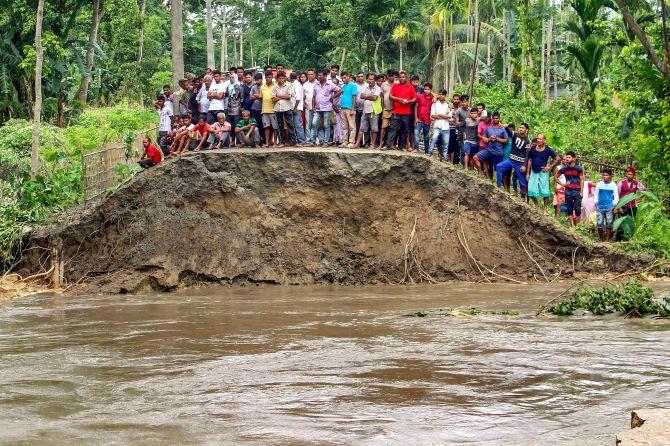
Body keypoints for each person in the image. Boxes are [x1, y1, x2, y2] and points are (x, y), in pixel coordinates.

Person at [526, 134, 561, 206]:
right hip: (533, 171)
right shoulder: (532, 148)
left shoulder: (548, 149)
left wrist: (550, 167)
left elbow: (557, 158)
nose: (538, 140)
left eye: (540, 139)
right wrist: (527, 173)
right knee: (530, 190)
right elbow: (529, 160)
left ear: (544, 140)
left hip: (543, 172)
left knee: (545, 191)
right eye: (538, 139)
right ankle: (537, 205)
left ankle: (545, 208)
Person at [385, 71, 417, 152]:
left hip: (406, 112)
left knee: (405, 130)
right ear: (398, 78)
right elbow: (390, 96)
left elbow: (414, 98)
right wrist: (399, 99)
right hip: (396, 112)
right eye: (400, 77)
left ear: (406, 78)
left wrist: (408, 102)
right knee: (392, 129)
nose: (402, 78)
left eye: (403, 77)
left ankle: (402, 146)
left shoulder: (411, 87)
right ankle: (388, 145)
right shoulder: (395, 86)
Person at [496, 122, 530, 194]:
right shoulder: (515, 134)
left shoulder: (527, 140)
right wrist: (505, 126)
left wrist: (524, 165)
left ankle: (523, 197)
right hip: (510, 160)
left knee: (522, 182)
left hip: (519, 163)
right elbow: (509, 131)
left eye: (523, 128)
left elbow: (527, 154)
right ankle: (498, 186)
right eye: (520, 127)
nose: (521, 129)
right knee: (499, 167)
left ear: (526, 130)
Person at [473, 112, 507, 178]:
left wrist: (497, 139)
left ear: (499, 119)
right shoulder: (488, 128)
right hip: (489, 150)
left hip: (498, 152)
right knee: (475, 157)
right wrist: (490, 139)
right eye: (494, 118)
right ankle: (480, 174)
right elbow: (485, 139)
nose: (495, 119)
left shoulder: (502, 128)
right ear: (492, 118)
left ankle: (499, 184)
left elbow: (506, 140)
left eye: (497, 118)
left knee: (498, 169)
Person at [555, 151, 585, 226]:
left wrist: (581, 191)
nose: (567, 159)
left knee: (577, 209)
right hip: (568, 191)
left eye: (569, 157)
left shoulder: (579, 168)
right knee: (569, 209)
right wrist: (563, 184)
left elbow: (582, 179)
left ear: (574, 159)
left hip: (577, 191)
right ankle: (572, 226)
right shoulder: (564, 168)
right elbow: (555, 177)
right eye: (566, 157)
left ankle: (577, 226)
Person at [311, 69, 338, 146]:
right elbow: (313, 97)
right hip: (318, 109)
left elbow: (339, 90)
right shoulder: (316, 85)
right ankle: (312, 141)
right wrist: (313, 107)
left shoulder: (330, 84)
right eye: (318, 75)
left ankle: (326, 142)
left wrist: (333, 97)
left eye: (321, 75)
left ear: (325, 76)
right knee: (314, 123)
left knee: (326, 125)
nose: (319, 77)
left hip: (327, 108)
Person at [355, 73, 381, 149]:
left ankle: (372, 144)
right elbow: (361, 96)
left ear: (375, 80)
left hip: (374, 110)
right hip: (365, 110)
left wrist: (366, 96)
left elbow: (375, 98)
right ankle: (357, 144)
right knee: (361, 127)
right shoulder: (365, 87)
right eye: (369, 79)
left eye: (372, 79)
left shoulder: (377, 88)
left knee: (374, 128)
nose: (370, 80)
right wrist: (370, 96)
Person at [272, 70, 298, 147]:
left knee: (290, 125)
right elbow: (273, 99)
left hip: (287, 108)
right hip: (278, 108)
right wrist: (283, 96)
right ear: (277, 79)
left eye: (282, 78)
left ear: (285, 78)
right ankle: (282, 142)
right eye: (279, 78)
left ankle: (294, 142)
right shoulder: (275, 87)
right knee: (280, 126)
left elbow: (289, 97)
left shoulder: (289, 86)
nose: (281, 80)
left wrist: (279, 96)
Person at [594, 168, 620, 241]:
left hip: (609, 207)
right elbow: (595, 194)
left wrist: (614, 205)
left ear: (610, 176)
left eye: (606, 175)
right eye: (603, 175)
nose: (604, 177)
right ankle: (601, 239)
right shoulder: (599, 184)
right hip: (600, 206)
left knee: (609, 223)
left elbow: (616, 196)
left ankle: (607, 239)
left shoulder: (613, 185)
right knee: (599, 223)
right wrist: (596, 203)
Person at [427, 89, 451, 160]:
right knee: (434, 139)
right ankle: (429, 153)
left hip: (446, 127)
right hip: (437, 125)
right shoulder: (435, 104)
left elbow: (449, 116)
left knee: (446, 143)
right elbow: (433, 116)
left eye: (442, 94)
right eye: (440, 94)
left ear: (445, 95)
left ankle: (444, 158)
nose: (441, 96)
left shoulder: (448, 105)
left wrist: (439, 115)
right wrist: (444, 116)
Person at [339, 72, 358, 148]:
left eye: (345, 78)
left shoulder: (353, 85)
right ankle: (345, 142)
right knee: (344, 127)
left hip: (350, 108)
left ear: (348, 77)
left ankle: (351, 142)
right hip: (343, 108)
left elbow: (354, 98)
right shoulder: (343, 86)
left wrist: (353, 109)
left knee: (352, 127)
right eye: (342, 78)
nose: (343, 79)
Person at [379, 69, 397, 149]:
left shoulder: (397, 84)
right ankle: (380, 144)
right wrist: (383, 107)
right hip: (386, 109)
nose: (391, 78)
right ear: (387, 76)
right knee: (383, 127)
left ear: (394, 76)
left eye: (392, 76)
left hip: (395, 109)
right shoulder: (383, 85)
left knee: (393, 128)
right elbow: (382, 97)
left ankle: (392, 144)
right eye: (389, 76)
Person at [414, 82, 434, 153]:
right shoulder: (419, 96)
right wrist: (415, 118)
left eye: (428, 89)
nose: (426, 91)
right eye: (425, 89)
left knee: (426, 137)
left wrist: (434, 95)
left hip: (427, 120)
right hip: (419, 119)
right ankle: (416, 149)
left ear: (431, 90)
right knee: (416, 133)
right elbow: (416, 107)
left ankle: (426, 152)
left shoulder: (433, 98)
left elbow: (440, 98)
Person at [260, 69, 278, 147]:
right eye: (266, 77)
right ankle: (267, 143)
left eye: (269, 77)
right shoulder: (262, 87)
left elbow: (277, 96)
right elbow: (261, 97)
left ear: (272, 77)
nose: (268, 78)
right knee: (266, 127)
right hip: (264, 110)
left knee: (275, 127)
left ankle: (274, 143)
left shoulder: (275, 86)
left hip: (273, 110)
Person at [290, 72, 307, 146]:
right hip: (296, 107)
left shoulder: (296, 85)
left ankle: (302, 141)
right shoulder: (296, 84)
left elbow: (298, 98)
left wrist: (295, 108)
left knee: (298, 125)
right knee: (297, 124)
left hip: (297, 108)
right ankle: (299, 140)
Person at [249, 73, 264, 146]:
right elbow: (251, 97)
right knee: (254, 125)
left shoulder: (264, 87)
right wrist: (259, 96)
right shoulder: (253, 87)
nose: (257, 81)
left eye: (258, 80)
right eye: (255, 80)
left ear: (261, 79)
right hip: (254, 108)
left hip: (262, 109)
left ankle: (262, 140)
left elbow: (263, 96)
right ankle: (255, 141)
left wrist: (257, 96)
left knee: (262, 125)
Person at [303, 69, 317, 144]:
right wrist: (304, 105)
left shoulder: (318, 83)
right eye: (309, 74)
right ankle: (308, 140)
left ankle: (315, 139)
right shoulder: (305, 85)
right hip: (308, 107)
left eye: (312, 74)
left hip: (317, 108)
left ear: (314, 75)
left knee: (316, 124)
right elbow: (303, 96)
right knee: (308, 124)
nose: (310, 76)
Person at [354, 71, 366, 142]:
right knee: (357, 126)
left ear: (364, 77)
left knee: (366, 127)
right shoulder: (354, 85)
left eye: (361, 76)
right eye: (359, 76)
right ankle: (358, 142)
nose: (360, 78)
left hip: (365, 109)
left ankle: (367, 142)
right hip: (356, 109)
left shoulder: (367, 85)